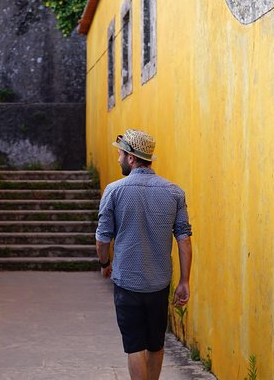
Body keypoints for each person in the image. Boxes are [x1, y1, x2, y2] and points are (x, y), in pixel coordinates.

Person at [95, 128, 193, 380]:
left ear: (130, 158)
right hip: (159, 283)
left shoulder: (114, 191)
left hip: (127, 281)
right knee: (155, 343)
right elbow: (184, 238)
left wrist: (105, 262)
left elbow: (102, 238)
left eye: (119, 154)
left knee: (135, 345)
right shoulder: (174, 192)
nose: (117, 159)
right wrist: (184, 280)